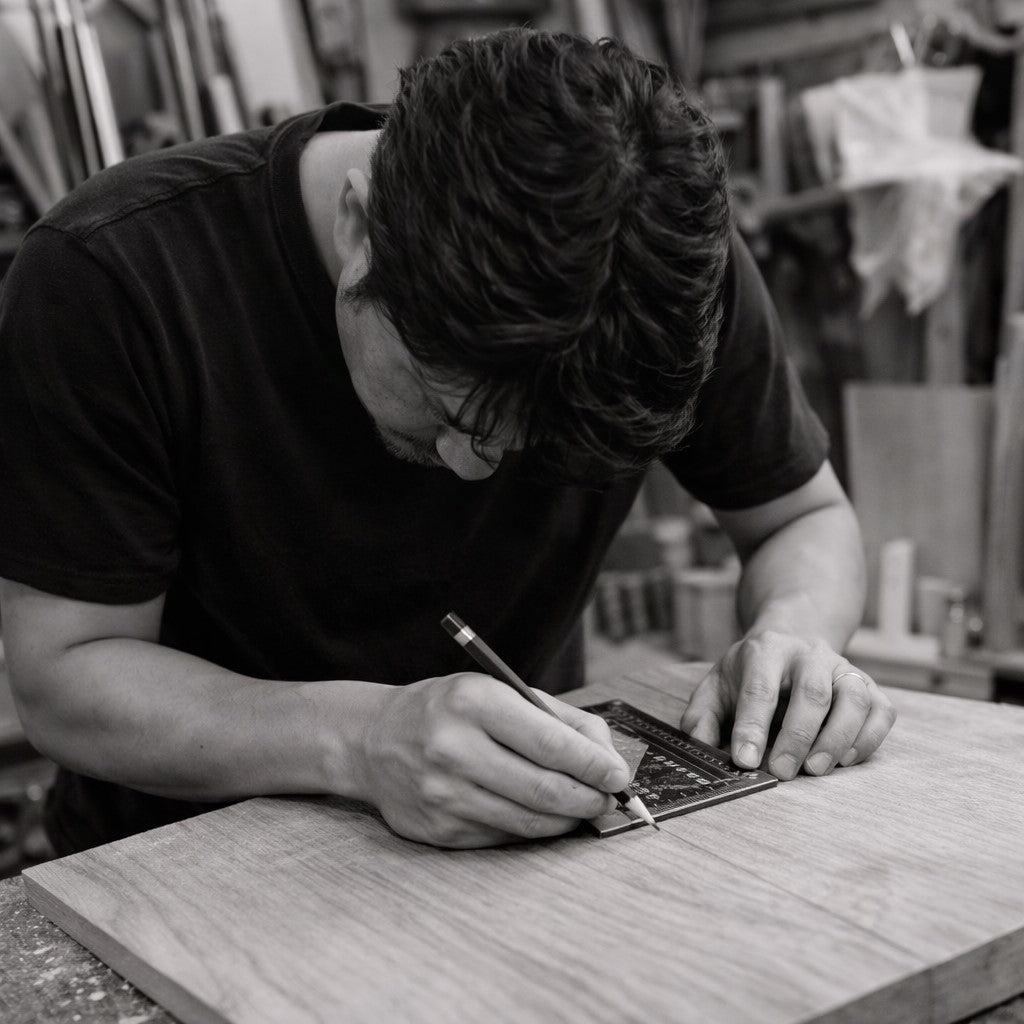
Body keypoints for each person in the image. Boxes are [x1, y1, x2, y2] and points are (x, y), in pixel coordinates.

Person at [0, 28, 894, 856]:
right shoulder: (112, 278)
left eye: (534, 440)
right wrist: (359, 739)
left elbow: (801, 517)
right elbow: (64, 678)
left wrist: (796, 639)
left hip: (522, 846)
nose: (474, 468)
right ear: (359, 229)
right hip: (185, 866)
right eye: (448, 405)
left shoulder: (653, 274)